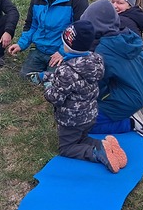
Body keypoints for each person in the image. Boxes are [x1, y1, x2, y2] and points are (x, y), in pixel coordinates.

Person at [40, 20, 128, 173]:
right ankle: (105, 145)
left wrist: (48, 85)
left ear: (69, 45)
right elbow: (76, 81)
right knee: (80, 138)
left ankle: (97, 154)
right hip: (90, 115)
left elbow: (55, 97)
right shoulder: (96, 60)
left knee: (67, 148)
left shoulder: (65, 71)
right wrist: (50, 76)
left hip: (72, 119)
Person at [81, 0, 143, 140]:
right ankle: (137, 109)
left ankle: (132, 123)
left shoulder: (103, 51)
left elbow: (97, 86)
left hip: (125, 99)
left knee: (83, 125)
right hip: (139, 91)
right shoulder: (128, 37)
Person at [7, 0, 89, 79]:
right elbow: (31, 25)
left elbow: (79, 31)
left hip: (61, 50)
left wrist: (62, 52)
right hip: (40, 49)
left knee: (54, 81)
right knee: (25, 77)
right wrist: (21, 44)